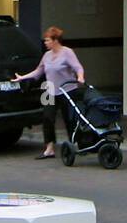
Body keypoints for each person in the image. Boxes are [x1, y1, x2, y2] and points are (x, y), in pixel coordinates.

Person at [11, 26, 84, 159]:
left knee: (70, 118)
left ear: (55, 40)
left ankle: (75, 144)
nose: (45, 43)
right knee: (47, 117)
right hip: (49, 89)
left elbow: (78, 67)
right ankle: (49, 148)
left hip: (67, 90)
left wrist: (80, 77)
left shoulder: (67, 52)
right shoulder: (46, 55)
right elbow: (38, 71)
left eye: (47, 40)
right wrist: (22, 77)